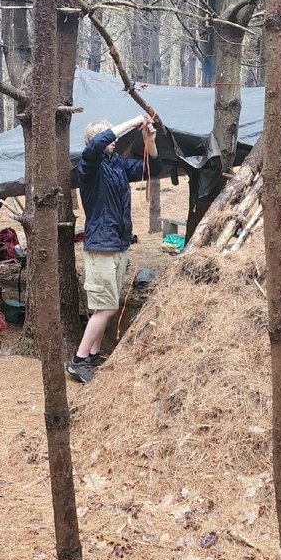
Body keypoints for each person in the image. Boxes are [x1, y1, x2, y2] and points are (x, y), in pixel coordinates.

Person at [67, 114, 160, 384]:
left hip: (118, 245)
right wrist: (132, 123)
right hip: (101, 246)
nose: (113, 141)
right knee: (106, 308)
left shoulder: (115, 164)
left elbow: (148, 169)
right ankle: (79, 361)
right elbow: (97, 144)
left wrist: (148, 140)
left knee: (107, 304)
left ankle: (94, 355)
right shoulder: (89, 165)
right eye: (109, 136)